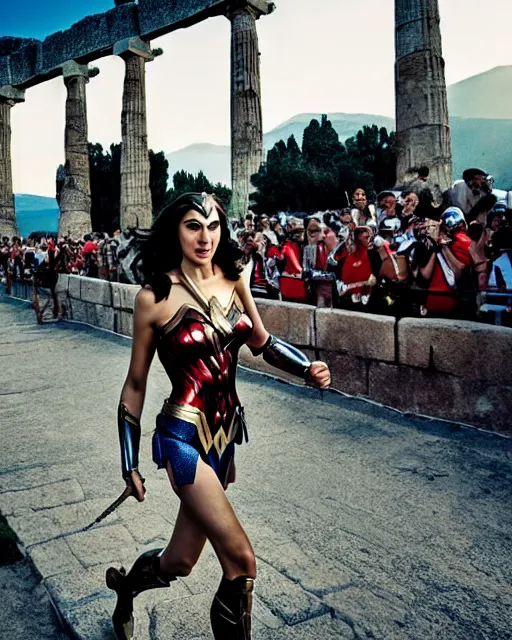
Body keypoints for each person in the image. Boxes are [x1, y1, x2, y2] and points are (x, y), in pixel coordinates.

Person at [105, 192, 330, 640]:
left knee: (180, 562)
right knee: (241, 561)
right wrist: (128, 462)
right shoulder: (154, 297)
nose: (205, 236)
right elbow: (135, 384)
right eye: (193, 225)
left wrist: (305, 367)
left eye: (213, 225)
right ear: (176, 230)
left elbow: (262, 342)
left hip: (225, 437)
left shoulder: (234, 277)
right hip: (182, 438)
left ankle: (125, 590)